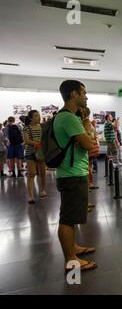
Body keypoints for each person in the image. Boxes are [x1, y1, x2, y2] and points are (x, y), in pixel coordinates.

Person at [54, 80, 99, 272]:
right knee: (67, 218)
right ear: (74, 94)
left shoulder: (67, 117)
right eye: (83, 93)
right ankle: (70, 260)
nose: (86, 97)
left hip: (72, 173)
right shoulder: (69, 118)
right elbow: (88, 144)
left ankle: (73, 249)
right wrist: (87, 129)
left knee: (70, 217)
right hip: (72, 174)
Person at [23, 110, 47, 203]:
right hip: (30, 152)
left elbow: (45, 139)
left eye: (39, 115)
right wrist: (38, 143)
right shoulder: (26, 128)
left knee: (43, 173)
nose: (39, 117)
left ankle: (42, 190)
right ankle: (30, 195)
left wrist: (41, 144)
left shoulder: (42, 127)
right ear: (31, 118)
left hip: (41, 152)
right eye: (36, 116)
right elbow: (26, 140)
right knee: (31, 173)